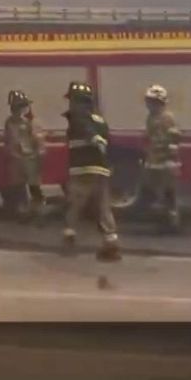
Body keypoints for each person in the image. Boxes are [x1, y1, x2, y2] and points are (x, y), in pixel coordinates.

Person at [63, 80, 121, 262]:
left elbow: (84, 127)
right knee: (104, 206)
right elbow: (106, 138)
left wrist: (93, 137)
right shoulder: (100, 119)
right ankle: (111, 241)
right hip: (101, 168)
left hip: (82, 167)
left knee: (76, 202)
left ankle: (69, 236)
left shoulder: (77, 114)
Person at [142, 84, 183, 233]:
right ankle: (164, 220)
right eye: (148, 101)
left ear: (159, 103)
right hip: (155, 161)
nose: (148, 104)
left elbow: (174, 138)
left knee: (169, 193)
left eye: (151, 101)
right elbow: (150, 138)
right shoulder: (151, 118)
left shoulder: (167, 117)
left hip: (166, 162)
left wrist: (171, 159)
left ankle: (172, 223)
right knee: (158, 192)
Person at [1, 89, 46, 223]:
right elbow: (8, 139)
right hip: (16, 159)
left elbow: (39, 141)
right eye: (16, 106)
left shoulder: (32, 122)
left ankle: (38, 212)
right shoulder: (9, 122)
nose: (18, 109)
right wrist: (9, 153)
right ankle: (23, 212)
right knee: (18, 188)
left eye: (21, 106)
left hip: (30, 158)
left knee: (34, 187)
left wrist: (39, 156)